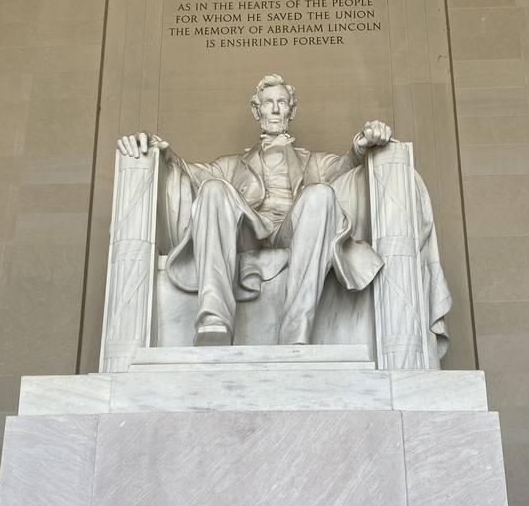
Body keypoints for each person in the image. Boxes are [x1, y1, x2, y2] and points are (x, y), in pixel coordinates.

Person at [118, 73, 393, 346]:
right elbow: (185, 172)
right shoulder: (231, 165)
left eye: (282, 102)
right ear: (256, 109)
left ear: (291, 110)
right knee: (213, 188)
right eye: (268, 102)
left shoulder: (315, 163)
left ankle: (296, 331)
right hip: (249, 230)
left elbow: (346, 166)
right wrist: (158, 151)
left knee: (320, 194)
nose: (275, 109)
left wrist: (362, 144)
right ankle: (214, 319)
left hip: (295, 228)